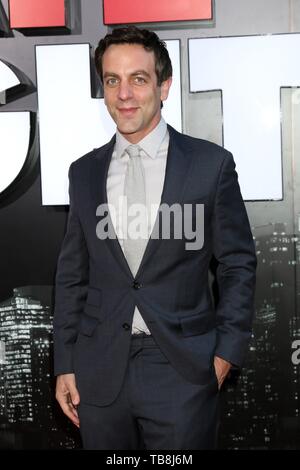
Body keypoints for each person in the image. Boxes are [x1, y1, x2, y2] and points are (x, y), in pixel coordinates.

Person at [53, 25, 256, 450]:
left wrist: (226, 353)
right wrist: (66, 364)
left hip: (182, 369)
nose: (124, 94)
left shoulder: (210, 165)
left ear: (163, 87)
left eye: (138, 79)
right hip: (100, 371)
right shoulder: (83, 173)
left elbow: (237, 262)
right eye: (112, 80)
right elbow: (73, 274)